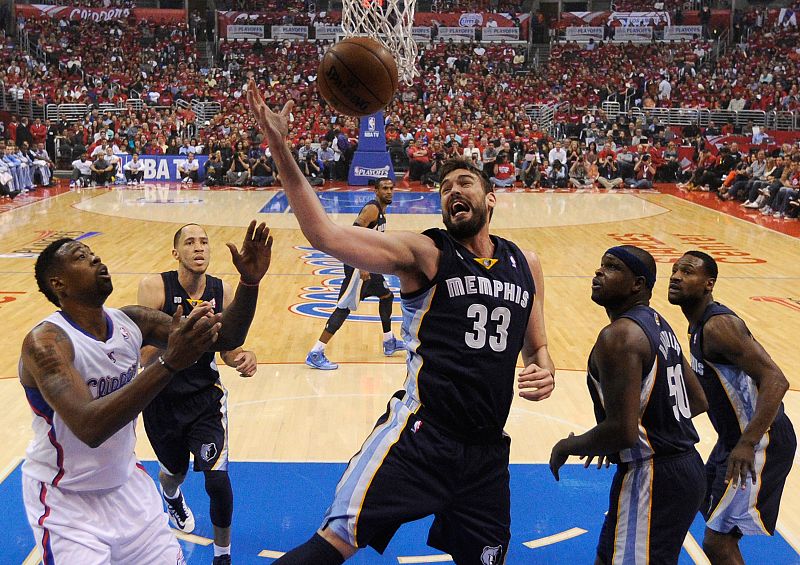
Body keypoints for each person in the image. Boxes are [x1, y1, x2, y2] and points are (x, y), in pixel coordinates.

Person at [248, 81, 554, 565]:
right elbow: (323, 233)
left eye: (464, 183)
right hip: (420, 436)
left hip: (487, 454)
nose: (453, 190)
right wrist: (281, 148)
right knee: (334, 544)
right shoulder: (426, 253)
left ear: (490, 199)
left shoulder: (525, 262)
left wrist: (545, 369)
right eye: (446, 187)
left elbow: (538, 348)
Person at [18, 221, 272, 565]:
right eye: (82, 256)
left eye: (94, 253)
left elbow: (226, 338)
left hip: (128, 487)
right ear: (58, 283)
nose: (96, 260)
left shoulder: (133, 321)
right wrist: (168, 363)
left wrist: (250, 283)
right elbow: (88, 426)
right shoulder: (46, 343)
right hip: (66, 500)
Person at [550, 246, 708, 565]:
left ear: (637, 284)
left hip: (652, 474)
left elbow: (623, 432)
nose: (599, 272)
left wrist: (568, 445)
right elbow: (697, 399)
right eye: (600, 264)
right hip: (685, 468)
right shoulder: (657, 323)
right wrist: (645, 428)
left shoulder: (619, 335)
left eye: (611, 267)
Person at [138, 224, 261, 565]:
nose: (199, 248)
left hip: (205, 398)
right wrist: (178, 335)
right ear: (176, 252)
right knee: (174, 472)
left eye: (204, 242)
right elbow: (142, 356)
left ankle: (223, 556)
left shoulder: (223, 291)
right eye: (189, 243)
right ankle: (172, 495)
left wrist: (243, 357)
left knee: (217, 480)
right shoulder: (154, 287)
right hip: (162, 398)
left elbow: (229, 349)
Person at [667, 251, 797, 564]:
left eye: (687, 272)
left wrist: (748, 443)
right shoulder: (697, 324)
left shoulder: (718, 326)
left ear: (708, 284)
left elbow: (777, 380)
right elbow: (708, 393)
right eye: (674, 270)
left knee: (717, 542)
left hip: (761, 440)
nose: (676, 277)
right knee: (705, 502)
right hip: (734, 439)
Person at [306, 178, 406, 370]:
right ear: (375, 191)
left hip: (369, 264)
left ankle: (389, 341)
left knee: (387, 295)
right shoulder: (372, 209)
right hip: (358, 267)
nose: (389, 192)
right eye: (384, 188)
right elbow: (354, 235)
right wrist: (361, 265)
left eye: (391, 188)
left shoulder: (382, 211)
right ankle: (316, 352)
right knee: (344, 308)